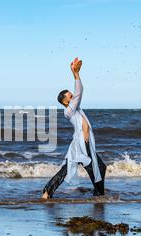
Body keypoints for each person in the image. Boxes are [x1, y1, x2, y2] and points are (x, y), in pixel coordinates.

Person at [42, 57, 106, 199]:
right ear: (66, 101)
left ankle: (48, 191)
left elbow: (78, 93)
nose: (74, 96)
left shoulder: (75, 108)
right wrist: (75, 74)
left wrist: (76, 73)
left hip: (82, 143)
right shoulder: (69, 111)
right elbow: (79, 91)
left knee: (80, 167)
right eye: (71, 96)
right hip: (82, 143)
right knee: (95, 167)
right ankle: (99, 195)